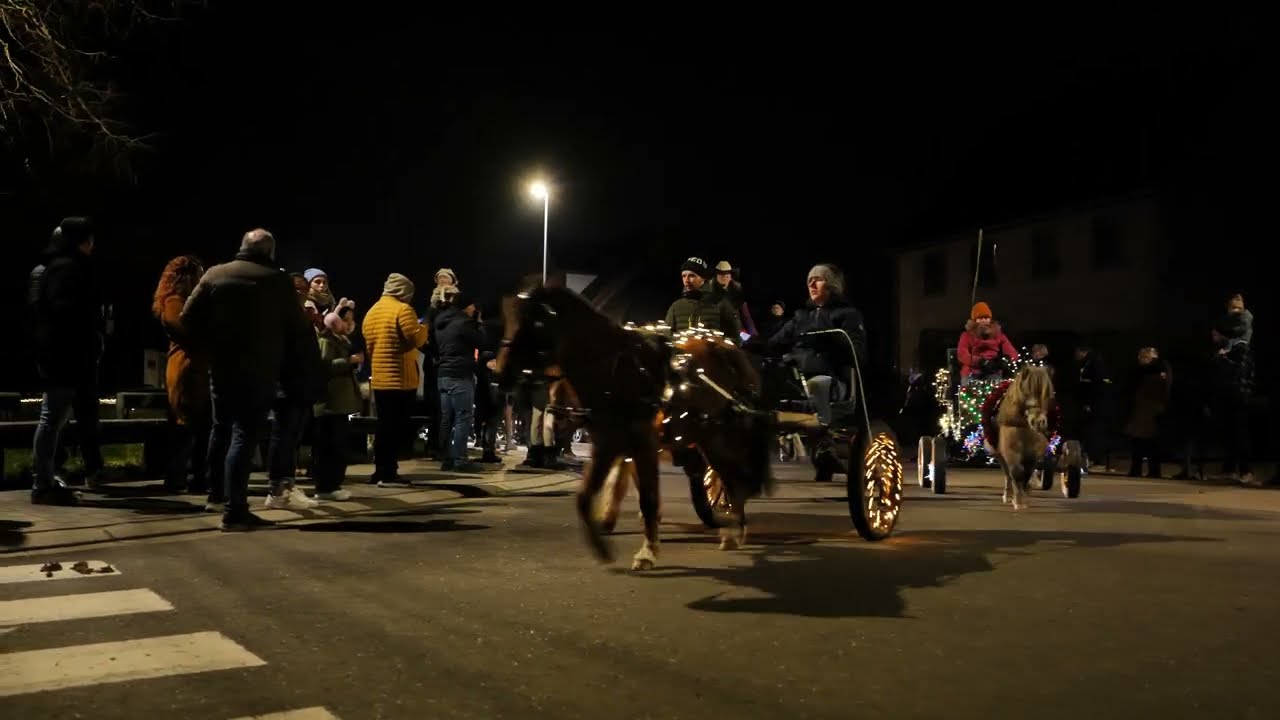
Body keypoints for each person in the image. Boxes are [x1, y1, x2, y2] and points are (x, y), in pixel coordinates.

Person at [181, 229, 319, 530]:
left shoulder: (215, 275)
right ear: (269, 252)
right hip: (259, 370)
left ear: (242, 247)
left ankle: (215, 494)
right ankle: (235, 511)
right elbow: (297, 327)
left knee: (220, 430)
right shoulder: (276, 281)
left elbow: (187, 317)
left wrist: (210, 347)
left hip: (220, 367)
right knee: (244, 436)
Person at [27, 217, 107, 505]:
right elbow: (67, 313)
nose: (92, 245)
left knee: (54, 418)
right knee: (51, 419)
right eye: (89, 239)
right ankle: (43, 483)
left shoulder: (53, 266)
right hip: (65, 356)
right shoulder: (68, 269)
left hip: (57, 353)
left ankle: (45, 479)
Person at [152, 255, 210, 494]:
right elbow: (185, 331)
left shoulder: (185, 300)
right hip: (185, 368)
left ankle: (197, 477)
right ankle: (176, 477)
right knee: (184, 426)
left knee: (199, 426)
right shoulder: (174, 301)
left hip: (195, 368)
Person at [663, 256, 741, 343]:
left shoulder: (721, 304)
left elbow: (735, 340)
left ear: (703, 278)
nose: (686, 280)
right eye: (684, 276)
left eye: (692, 276)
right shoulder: (676, 307)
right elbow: (667, 339)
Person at [956, 302, 1019, 384]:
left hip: (993, 369)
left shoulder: (998, 334)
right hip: (972, 371)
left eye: (986, 318)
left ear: (990, 319)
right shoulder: (967, 335)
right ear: (975, 320)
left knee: (996, 391)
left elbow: (1012, 352)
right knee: (968, 390)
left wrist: (1004, 360)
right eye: (980, 318)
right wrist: (980, 361)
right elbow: (962, 354)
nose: (983, 321)